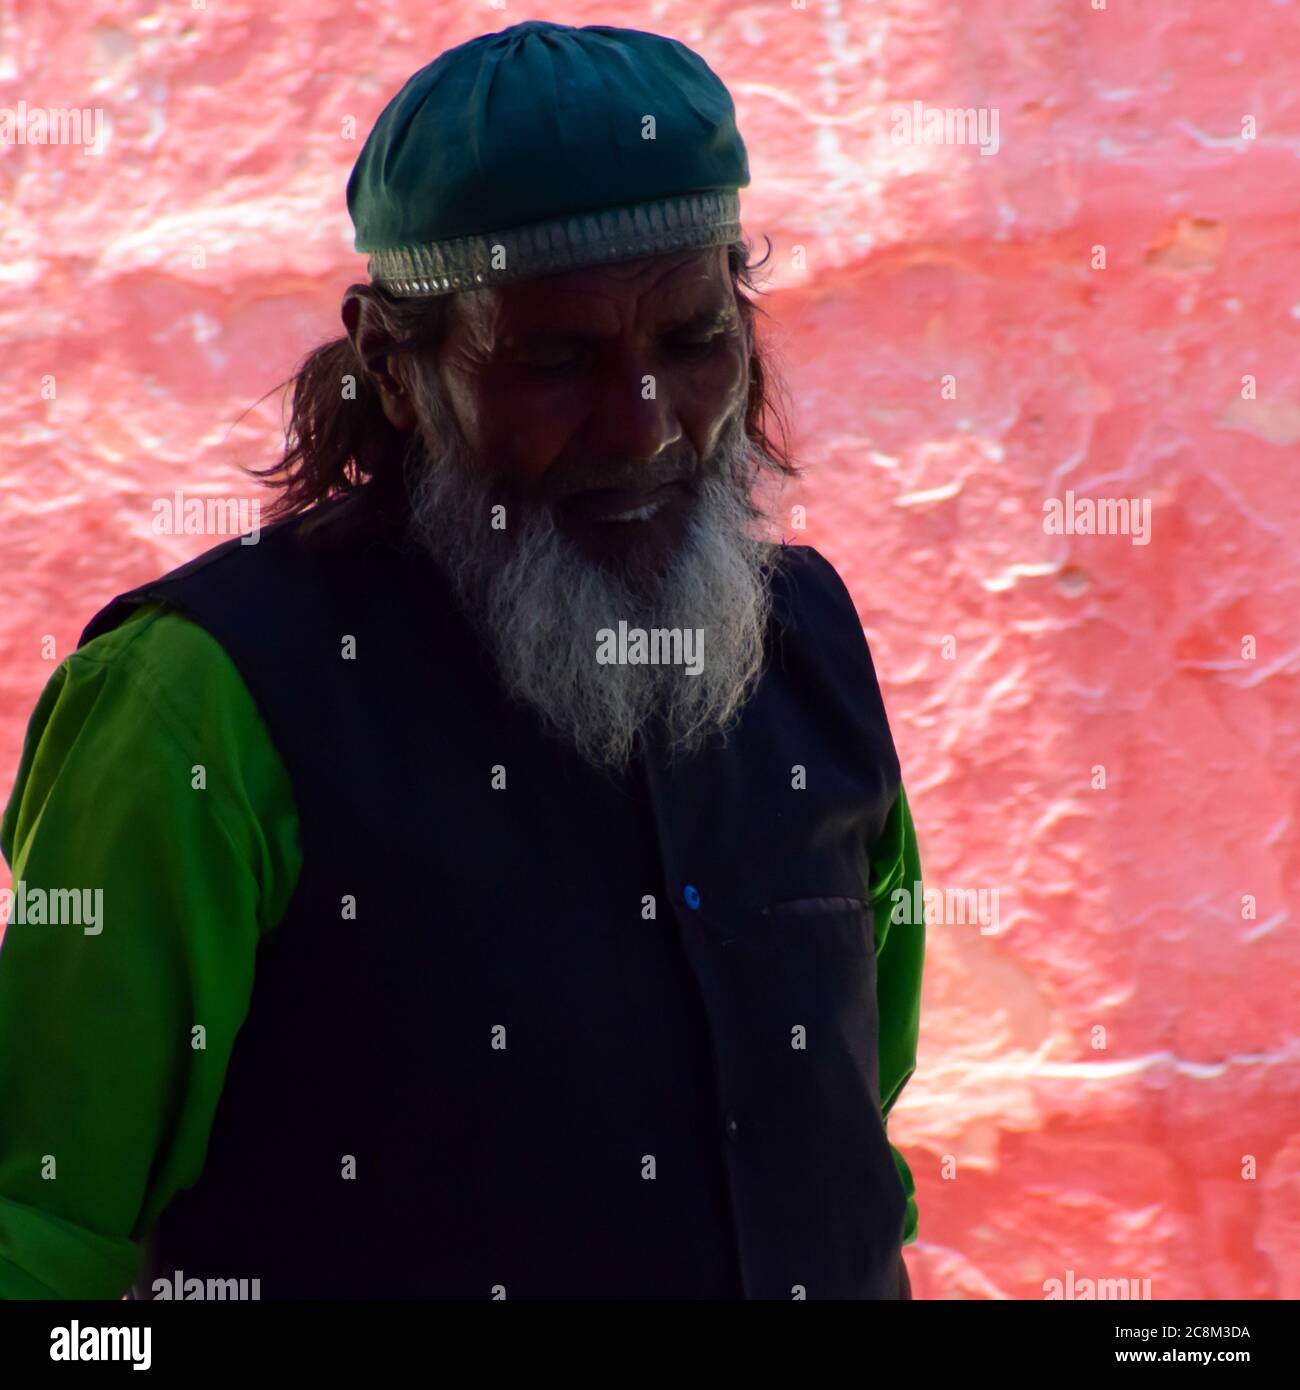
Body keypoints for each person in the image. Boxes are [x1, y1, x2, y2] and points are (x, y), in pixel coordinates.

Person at [0, 18, 924, 1300]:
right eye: (554, 360)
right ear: (390, 360)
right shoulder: (199, 701)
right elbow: (41, 1235)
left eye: (694, 340)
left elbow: (845, 1107)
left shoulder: (809, 641)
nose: (646, 423)